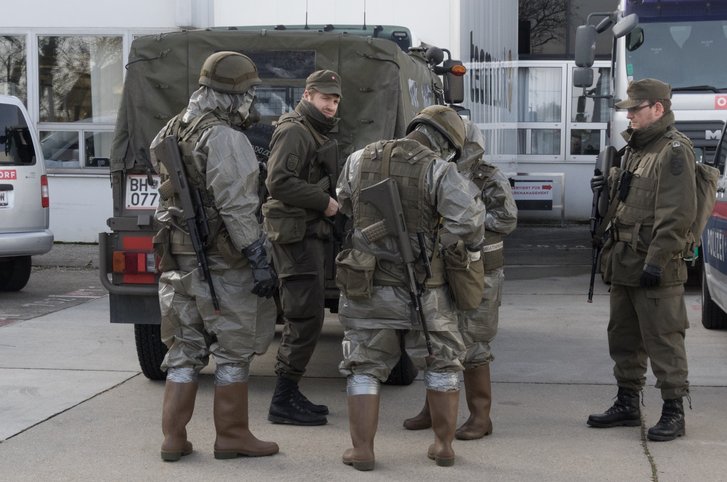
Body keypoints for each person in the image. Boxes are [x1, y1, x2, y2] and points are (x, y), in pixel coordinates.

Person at [336, 105, 486, 470]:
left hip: (368, 286)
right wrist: (438, 241)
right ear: (446, 143)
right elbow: (469, 221)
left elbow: (343, 201)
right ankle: (442, 447)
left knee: (364, 368)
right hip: (427, 288)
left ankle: (362, 451)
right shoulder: (439, 169)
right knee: (442, 363)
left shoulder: (358, 159)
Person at [151, 51, 279, 461]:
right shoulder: (224, 137)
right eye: (249, 94)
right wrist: (258, 255)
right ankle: (232, 436)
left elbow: (165, 196)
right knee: (233, 350)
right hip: (223, 263)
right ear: (234, 94)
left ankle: (173, 439)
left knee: (184, 349)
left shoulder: (171, 129)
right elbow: (237, 206)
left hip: (180, 259)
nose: (252, 103)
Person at [587, 78, 696, 442]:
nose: (629, 116)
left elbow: (676, 214)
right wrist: (606, 192)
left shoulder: (674, 151)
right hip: (624, 260)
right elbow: (626, 205)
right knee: (623, 336)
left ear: (657, 109)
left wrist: (657, 261)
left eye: (635, 109)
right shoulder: (635, 149)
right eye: (628, 110)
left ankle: (673, 410)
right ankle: (628, 402)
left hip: (655, 266)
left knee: (663, 338)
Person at [402, 119, 518, 440]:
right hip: (443, 268)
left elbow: (507, 218)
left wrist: (465, 225)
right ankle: (433, 410)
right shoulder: (435, 171)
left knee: (475, 341)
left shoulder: (488, 176)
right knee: (437, 339)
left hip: (481, 269)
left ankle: (481, 417)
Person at [262, 70, 342, 426]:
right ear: (308, 95)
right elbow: (278, 182)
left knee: (309, 315)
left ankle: (290, 392)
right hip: (296, 235)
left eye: (336, 99)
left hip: (307, 233)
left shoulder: (312, 129)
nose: (331, 105)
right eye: (325, 98)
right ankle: (283, 399)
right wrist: (323, 200)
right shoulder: (295, 129)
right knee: (303, 316)